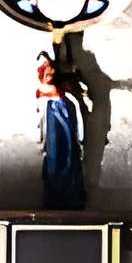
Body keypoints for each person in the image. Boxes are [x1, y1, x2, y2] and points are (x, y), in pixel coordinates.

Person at [36, 45, 86, 209]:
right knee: (54, 160)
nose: (47, 77)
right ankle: (57, 198)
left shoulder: (62, 98)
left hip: (64, 128)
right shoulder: (52, 96)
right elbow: (44, 91)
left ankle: (68, 198)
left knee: (66, 158)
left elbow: (52, 91)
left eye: (51, 73)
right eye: (46, 73)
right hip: (54, 131)